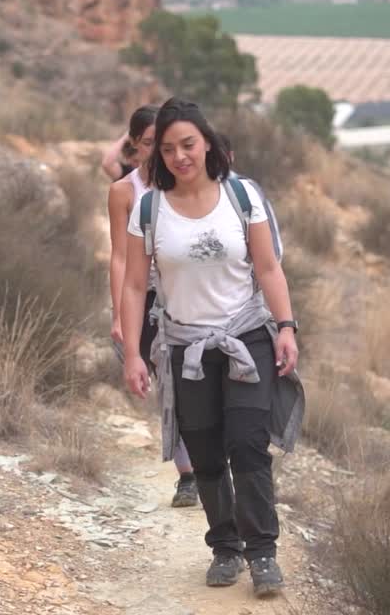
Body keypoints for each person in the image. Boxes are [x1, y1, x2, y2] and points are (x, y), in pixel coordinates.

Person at [119, 97, 305, 599]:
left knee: (247, 444)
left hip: (246, 337)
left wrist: (285, 327)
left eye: (189, 144)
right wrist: (135, 354)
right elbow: (137, 286)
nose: (181, 156)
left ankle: (262, 552)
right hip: (185, 346)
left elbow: (268, 268)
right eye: (170, 148)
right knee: (203, 453)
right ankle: (225, 547)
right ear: (157, 154)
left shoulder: (241, 196)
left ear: (207, 144)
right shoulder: (149, 208)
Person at [107, 104, 199, 508]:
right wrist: (118, 315)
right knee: (169, 388)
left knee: (198, 383)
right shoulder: (124, 192)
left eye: (159, 143)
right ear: (136, 146)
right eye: (149, 143)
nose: (156, 151)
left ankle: (218, 461)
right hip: (145, 298)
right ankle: (188, 475)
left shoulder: (181, 184)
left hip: (186, 295)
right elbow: (119, 258)